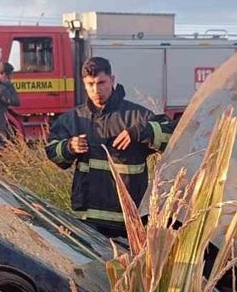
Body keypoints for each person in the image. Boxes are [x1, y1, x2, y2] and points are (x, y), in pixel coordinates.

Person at [45, 57, 174, 238]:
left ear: (112, 80)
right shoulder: (73, 119)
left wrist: (141, 132)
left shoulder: (137, 116)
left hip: (128, 220)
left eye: (101, 82)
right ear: (84, 84)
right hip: (88, 219)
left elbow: (173, 138)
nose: (96, 90)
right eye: (90, 84)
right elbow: (52, 151)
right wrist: (69, 147)